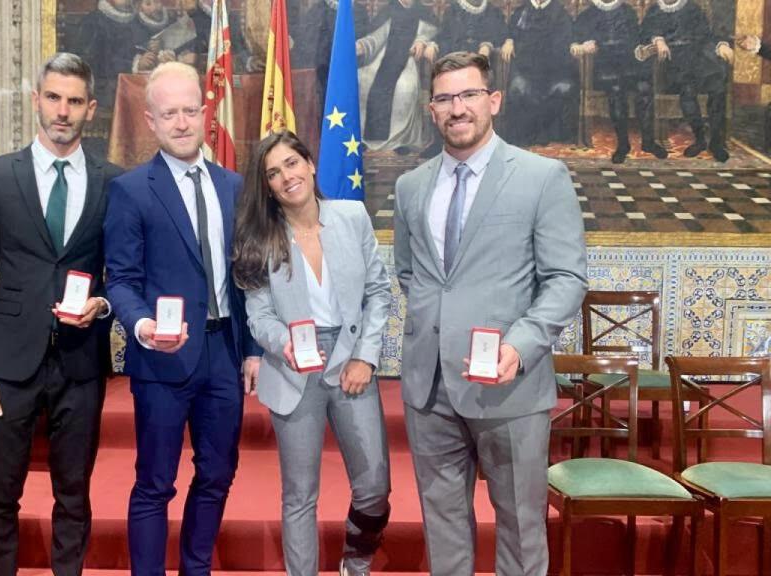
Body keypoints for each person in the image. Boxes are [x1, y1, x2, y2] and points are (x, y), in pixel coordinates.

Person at [393, 51, 587, 576]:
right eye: (444, 98)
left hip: (509, 385)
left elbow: (566, 278)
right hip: (429, 385)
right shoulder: (411, 187)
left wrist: (520, 346)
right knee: (443, 527)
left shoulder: (541, 177)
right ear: (431, 109)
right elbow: (412, 273)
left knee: (521, 528)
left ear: (493, 100)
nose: (457, 108)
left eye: (469, 95)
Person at [0, 52, 122, 576]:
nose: (62, 111)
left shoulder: (113, 182)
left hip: (80, 362)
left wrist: (104, 303)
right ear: (36, 100)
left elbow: (124, 273)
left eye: (74, 101)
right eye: (53, 97)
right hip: (8, 363)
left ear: (91, 108)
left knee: (74, 494)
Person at [104, 61, 262, 576]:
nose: (181, 122)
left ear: (205, 113)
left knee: (217, 475)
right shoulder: (131, 190)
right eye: (169, 113)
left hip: (223, 355)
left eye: (189, 111)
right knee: (155, 483)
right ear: (150, 121)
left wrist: (252, 350)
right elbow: (120, 279)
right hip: (162, 357)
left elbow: (246, 276)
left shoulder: (233, 186)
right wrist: (141, 326)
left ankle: (197, 570)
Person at [233, 131, 393, 576]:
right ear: (267, 186)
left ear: (310, 164)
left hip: (351, 359)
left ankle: (355, 563)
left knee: (375, 487)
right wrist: (281, 342)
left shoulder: (352, 216)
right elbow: (258, 315)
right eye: (274, 173)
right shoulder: (260, 237)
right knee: (299, 494)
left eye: (292, 163)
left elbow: (379, 292)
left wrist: (365, 357)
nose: (286, 177)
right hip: (293, 368)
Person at [571, 0, 667, 163]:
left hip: (630, 65)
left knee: (644, 88)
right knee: (616, 90)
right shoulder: (587, 14)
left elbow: (637, 38)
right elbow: (575, 41)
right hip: (605, 67)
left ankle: (648, 142)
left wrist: (646, 47)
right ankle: (623, 144)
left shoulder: (627, 11)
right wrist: (582, 45)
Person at [637, 0, 733, 162]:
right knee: (688, 91)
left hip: (698, 57)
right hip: (670, 62)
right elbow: (644, 34)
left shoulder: (692, 7)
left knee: (717, 87)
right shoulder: (654, 10)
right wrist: (658, 40)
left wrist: (720, 45)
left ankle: (716, 143)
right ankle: (700, 139)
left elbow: (706, 34)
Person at [355, 0, 438, 153]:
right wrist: (362, 46)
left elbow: (432, 33)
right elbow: (376, 37)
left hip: (409, 61)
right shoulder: (389, 10)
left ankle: (401, 140)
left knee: (405, 88)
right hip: (381, 58)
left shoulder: (423, 11)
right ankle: (365, 139)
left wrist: (423, 42)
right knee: (362, 80)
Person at [501, 0, 578, 147]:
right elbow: (510, 33)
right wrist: (509, 41)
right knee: (518, 87)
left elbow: (566, 43)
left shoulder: (561, 14)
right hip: (525, 69)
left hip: (554, 70)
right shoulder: (521, 12)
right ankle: (524, 134)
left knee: (563, 88)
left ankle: (548, 132)